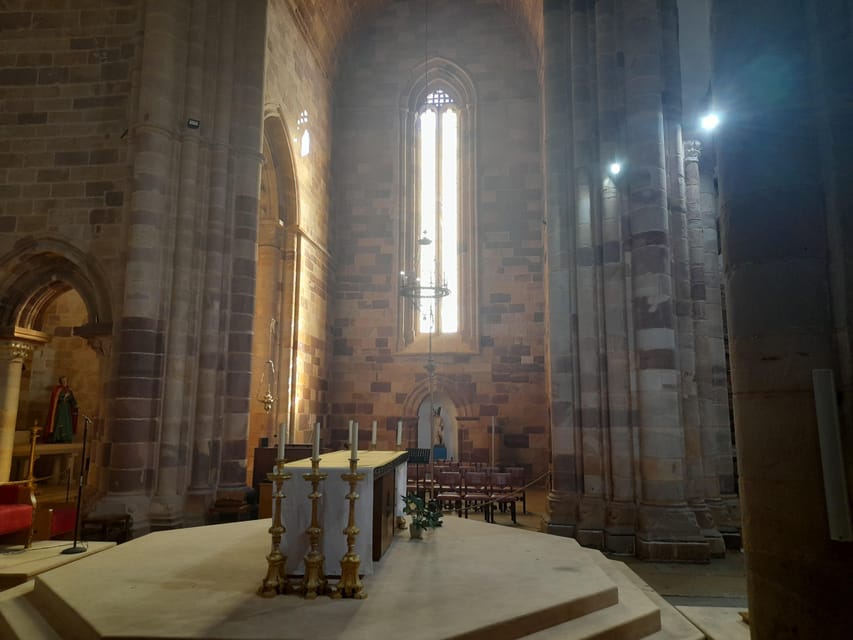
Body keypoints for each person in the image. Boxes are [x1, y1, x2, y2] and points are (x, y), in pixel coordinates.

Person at [46, 376, 78, 443]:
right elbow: (56, 399)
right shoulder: (57, 390)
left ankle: (66, 438)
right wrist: (64, 397)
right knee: (59, 421)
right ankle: (57, 437)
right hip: (60, 409)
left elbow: (72, 399)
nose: (64, 382)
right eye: (63, 381)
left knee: (67, 423)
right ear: (60, 382)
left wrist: (75, 405)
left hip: (67, 410)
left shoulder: (69, 390)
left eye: (65, 381)